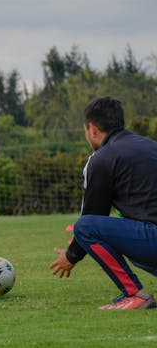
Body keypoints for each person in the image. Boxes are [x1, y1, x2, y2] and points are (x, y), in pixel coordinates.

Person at [50, 96, 157, 310]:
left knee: (85, 226)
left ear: (92, 128)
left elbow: (92, 218)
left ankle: (135, 294)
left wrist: (71, 256)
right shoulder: (149, 145)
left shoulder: (102, 158)